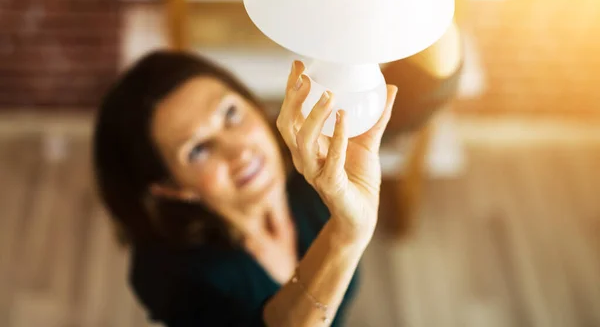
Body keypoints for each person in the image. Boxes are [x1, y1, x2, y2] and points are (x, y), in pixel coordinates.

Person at [93, 29, 463, 326]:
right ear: (171, 187)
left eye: (231, 113)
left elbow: (424, 84)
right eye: (198, 149)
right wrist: (347, 236)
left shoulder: (304, 151)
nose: (239, 151)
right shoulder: (170, 274)